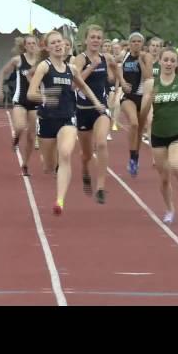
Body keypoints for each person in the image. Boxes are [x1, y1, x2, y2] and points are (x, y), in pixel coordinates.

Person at [27, 30, 105, 216]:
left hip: (68, 118)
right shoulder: (44, 67)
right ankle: (50, 163)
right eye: (53, 42)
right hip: (47, 120)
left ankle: (59, 200)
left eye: (60, 41)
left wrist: (96, 102)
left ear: (65, 44)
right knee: (48, 166)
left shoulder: (72, 69)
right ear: (47, 47)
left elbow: (83, 86)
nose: (58, 45)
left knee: (65, 153)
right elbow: (31, 93)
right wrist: (46, 97)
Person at [140, 47, 178, 225]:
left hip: (177, 133)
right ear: (160, 62)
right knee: (164, 178)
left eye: (172, 60)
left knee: (175, 164)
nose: (168, 63)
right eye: (165, 60)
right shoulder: (152, 84)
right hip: (158, 135)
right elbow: (143, 111)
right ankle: (169, 208)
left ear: (176, 63)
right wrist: (150, 100)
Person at [74, 25, 119, 204]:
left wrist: (120, 81)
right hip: (83, 111)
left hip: (101, 110)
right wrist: (92, 66)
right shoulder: (79, 59)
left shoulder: (106, 58)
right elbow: (75, 85)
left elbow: (116, 67)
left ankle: (100, 187)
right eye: (92, 37)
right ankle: (85, 169)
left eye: (98, 38)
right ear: (86, 40)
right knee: (86, 154)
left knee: (101, 143)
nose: (95, 40)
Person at [0, 35, 40, 176]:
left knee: (32, 137)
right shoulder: (18, 60)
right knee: (20, 126)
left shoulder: (41, 62)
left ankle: (25, 164)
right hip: (20, 99)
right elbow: (3, 72)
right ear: (25, 46)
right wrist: (0, 90)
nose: (32, 46)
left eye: (34, 43)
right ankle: (16, 139)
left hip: (34, 101)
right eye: (29, 43)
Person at [116, 32, 153, 177]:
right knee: (134, 124)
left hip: (143, 98)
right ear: (129, 43)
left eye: (139, 41)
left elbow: (148, 76)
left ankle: (134, 158)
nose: (136, 44)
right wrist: (122, 82)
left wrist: (141, 62)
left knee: (139, 132)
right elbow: (115, 67)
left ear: (142, 44)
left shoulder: (146, 56)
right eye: (134, 41)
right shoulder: (123, 56)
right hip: (128, 97)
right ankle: (132, 157)